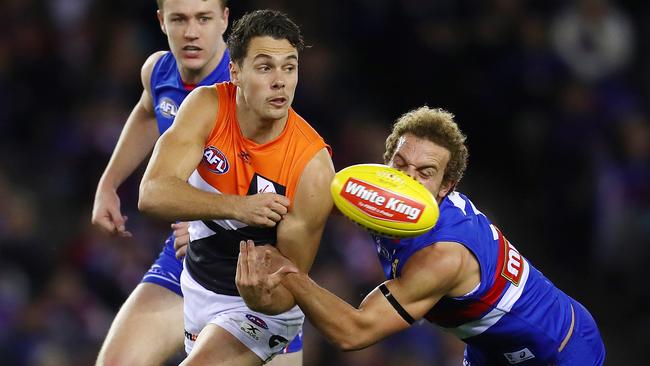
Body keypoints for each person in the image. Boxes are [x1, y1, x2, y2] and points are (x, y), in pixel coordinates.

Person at [237, 106, 607, 365]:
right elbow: (306, 202)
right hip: (490, 349)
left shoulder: (443, 255)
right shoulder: (385, 197)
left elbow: (353, 332)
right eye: (400, 164)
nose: (408, 179)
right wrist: (222, 215)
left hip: (560, 350)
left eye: (425, 172)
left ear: (446, 186)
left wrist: (288, 274)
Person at [91, 2, 304, 364]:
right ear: (161, 21)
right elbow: (148, 111)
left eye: (203, 18)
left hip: (249, 274)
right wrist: (108, 184)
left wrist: (212, 224)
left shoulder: (247, 84)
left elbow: (280, 183)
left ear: (224, 18)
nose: (192, 32)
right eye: (179, 19)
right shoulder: (159, 70)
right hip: (185, 262)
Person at [138, 9, 334, 365]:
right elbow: (151, 194)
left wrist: (260, 297)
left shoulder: (313, 166)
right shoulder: (206, 106)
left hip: (259, 311)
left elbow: (290, 284)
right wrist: (239, 207)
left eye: (289, 68)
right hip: (198, 288)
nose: (280, 81)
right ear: (236, 72)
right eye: (265, 67)